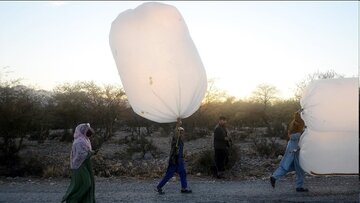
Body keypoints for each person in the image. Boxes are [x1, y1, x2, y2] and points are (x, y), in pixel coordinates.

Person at [270, 111, 309, 192]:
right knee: (300, 168)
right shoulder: (299, 124)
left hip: (292, 147)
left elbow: (291, 135)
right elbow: (295, 135)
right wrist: (302, 134)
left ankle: (275, 176)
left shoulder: (293, 122)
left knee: (288, 165)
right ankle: (299, 186)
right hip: (296, 149)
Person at [62, 123, 96, 203]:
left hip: (85, 164)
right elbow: (80, 155)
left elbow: (86, 152)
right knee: (87, 183)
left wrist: (90, 153)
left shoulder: (85, 140)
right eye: (87, 130)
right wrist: (90, 153)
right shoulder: (79, 142)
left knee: (88, 183)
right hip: (79, 165)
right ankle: (73, 199)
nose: (89, 132)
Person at [155, 126, 192, 195]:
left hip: (179, 161)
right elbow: (176, 134)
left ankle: (184, 188)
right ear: (178, 133)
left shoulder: (180, 141)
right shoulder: (175, 140)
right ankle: (159, 187)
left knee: (183, 173)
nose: (182, 134)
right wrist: (178, 124)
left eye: (182, 133)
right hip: (174, 161)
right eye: (181, 133)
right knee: (168, 175)